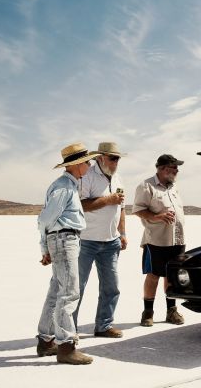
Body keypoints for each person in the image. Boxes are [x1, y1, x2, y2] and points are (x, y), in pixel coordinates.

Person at [36, 142, 99, 365]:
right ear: (77, 165)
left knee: (57, 290)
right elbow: (44, 218)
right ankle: (66, 346)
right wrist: (46, 247)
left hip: (63, 240)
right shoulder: (64, 186)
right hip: (64, 239)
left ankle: (46, 341)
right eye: (87, 162)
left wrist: (47, 247)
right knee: (69, 292)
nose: (90, 165)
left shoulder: (69, 185)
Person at [73, 142, 127, 339]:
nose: (116, 162)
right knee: (76, 288)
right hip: (86, 240)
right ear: (100, 158)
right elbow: (81, 204)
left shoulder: (118, 178)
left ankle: (104, 326)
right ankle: (69, 331)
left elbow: (121, 208)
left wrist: (122, 233)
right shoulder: (87, 176)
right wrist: (108, 200)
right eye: (113, 158)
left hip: (111, 242)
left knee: (111, 287)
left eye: (118, 158)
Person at [132, 153, 186, 327]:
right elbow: (138, 210)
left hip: (177, 240)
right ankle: (148, 312)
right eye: (174, 167)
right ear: (163, 169)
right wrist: (158, 216)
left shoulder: (173, 187)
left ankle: (171, 311)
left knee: (171, 275)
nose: (177, 170)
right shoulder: (146, 186)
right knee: (154, 275)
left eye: (177, 168)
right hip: (156, 240)